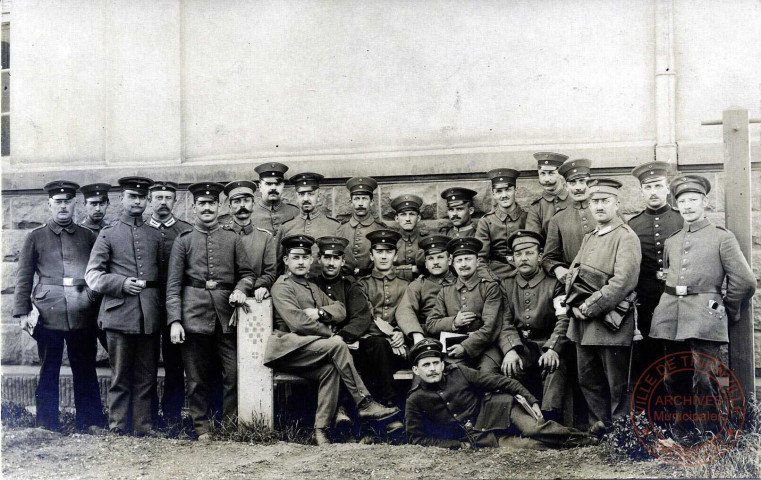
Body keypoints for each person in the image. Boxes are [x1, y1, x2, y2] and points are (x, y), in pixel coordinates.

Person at [263, 234, 400, 445]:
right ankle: (364, 402)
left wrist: (319, 312)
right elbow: (298, 323)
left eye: (304, 257)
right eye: (295, 257)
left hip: (311, 349)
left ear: (311, 261)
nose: (300, 262)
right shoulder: (282, 286)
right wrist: (330, 333)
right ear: (286, 260)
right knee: (337, 344)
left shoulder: (312, 287)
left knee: (331, 369)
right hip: (288, 349)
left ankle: (322, 431)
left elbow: (341, 310)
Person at [650, 174, 756, 443]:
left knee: (705, 378)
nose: (687, 206)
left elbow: (744, 281)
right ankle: (682, 435)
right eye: (682, 201)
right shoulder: (673, 240)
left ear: (705, 202)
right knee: (673, 377)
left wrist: (725, 308)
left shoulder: (722, 237)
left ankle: (710, 436)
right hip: (671, 314)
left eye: (693, 200)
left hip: (704, 315)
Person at [166, 181, 256, 441]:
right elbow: (173, 286)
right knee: (196, 377)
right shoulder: (183, 241)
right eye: (202, 204)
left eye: (211, 203)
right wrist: (175, 321)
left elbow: (247, 274)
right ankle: (201, 426)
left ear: (219, 206)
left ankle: (228, 423)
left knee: (233, 373)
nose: (207, 208)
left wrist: (241, 289)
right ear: (194, 208)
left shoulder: (232, 238)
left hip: (226, 316)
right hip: (193, 316)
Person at [13, 180, 105, 432]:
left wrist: (94, 305)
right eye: (58, 202)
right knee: (48, 368)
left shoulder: (89, 236)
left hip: (81, 310)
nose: (63, 206)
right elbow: (24, 276)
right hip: (47, 312)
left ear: (75, 204)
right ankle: (46, 422)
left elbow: (98, 273)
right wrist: (22, 312)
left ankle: (90, 421)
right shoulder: (36, 236)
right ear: (50, 204)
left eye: (68, 202)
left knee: (85, 366)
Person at [405, 338, 594, 449]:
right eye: (426, 365)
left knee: (534, 429)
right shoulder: (415, 399)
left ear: (442, 364)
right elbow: (416, 438)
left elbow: (502, 381)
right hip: (480, 436)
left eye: (436, 363)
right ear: (415, 370)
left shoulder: (459, 372)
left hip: (499, 408)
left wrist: (531, 400)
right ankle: (577, 441)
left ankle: (588, 438)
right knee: (532, 446)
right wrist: (455, 445)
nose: (432, 369)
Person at [85, 176, 163, 436]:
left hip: (149, 315)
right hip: (118, 314)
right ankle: (118, 425)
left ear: (146, 200)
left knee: (146, 374)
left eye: (141, 197)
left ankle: (143, 425)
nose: (137, 201)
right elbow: (93, 275)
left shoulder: (154, 235)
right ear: (122, 199)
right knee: (119, 375)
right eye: (132, 196)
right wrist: (121, 283)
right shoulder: (108, 233)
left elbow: (163, 277)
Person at [564, 178, 641, 436]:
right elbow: (573, 274)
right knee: (589, 379)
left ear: (616, 204)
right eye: (594, 202)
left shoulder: (626, 237)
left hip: (611, 324)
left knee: (617, 383)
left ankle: (621, 434)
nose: (598, 206)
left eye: (604, 201)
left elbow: (623, 281)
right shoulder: (590, 237)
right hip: (583, 325)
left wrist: (589, 306)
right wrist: (574, 305)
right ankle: (599, 430)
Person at [498, 230, 570, 422]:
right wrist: (510, 349)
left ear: (539, 256)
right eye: (518, 254)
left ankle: (550, 419)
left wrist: (553, 348)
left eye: (529, 253)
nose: (523, 259)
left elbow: (563, 319)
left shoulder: (554, 283)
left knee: (554, 366)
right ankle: (522, 419)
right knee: (510, 367)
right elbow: (504, 321)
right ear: (512, 259)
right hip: (520, 344)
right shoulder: (506, 284)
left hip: (546, 341)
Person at [626, 161, 683, 383]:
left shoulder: (681, 219)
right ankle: (654, 414)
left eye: (658, 186)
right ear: (641, 191)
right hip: (647, 301)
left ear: (667, 188)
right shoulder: (634, 224)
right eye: (648, 187)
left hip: (678, 299)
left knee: (679, 357)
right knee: (650, 357)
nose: (653, 192)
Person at [145, 180, 193, 426]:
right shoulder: (141, 229)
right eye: (158, 198)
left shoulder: (185, 231)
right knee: (148, 362)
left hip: (177, 307)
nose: (163, 203)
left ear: (175, 202)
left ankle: (173, 415)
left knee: (175, 363)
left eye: (168, 198)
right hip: (148, 307)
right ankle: (150, 414)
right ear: (150, 200)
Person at [355, 229, 410, 431]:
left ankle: (380, 419)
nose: (384, 256)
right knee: (376, 345)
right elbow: (363, 317)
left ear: (395, 255)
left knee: (380, 349)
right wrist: (388, 336)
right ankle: (389, 408)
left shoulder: (407, 286)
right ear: (371, 256)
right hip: (371, 345)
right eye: (379, 252)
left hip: (399, 348)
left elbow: (410, 314)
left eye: (388, 252)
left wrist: (401, 334)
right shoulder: (362, 284)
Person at [426, 237, 503, 373]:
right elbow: (431, 324)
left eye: (468, 259)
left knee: (487, 375)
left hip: (487, 348)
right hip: (454, 348)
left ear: (477, 261)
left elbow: (490, 327)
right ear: (452, 263)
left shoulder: (489, 288)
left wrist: (465, 347)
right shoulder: (445, 291)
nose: (463, 265)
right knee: (455, 376)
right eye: (459, 260)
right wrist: (454, 322)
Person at [542, 158, 596, 281]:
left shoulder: (606, 211)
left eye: (582, 181)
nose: (578, 187)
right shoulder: (558, 219)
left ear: (591, 183)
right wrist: (558, 269)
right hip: (574, 283)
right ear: (566, 186)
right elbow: (548, 258)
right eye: (572, 183)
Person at [395, 235, 455, 346]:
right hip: (427, 337)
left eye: (440, 257)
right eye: (431, 259)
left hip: (456, 336)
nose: (435, 262)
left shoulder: (459, 282)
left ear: (450, 260)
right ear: (426, 264)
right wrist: (416, 334)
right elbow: (405, 310)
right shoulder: (419, 285)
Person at [276, 172, 341, 274]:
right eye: (301, 194)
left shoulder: (334, 227)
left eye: (311, 194)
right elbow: (277, 266)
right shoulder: (286, 227)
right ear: (296, 197)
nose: (306, 199)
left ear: (318, 196)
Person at [223, 180, 277, 301]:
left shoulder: (265, 237)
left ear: (253, 204)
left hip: (254, 297)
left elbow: (269, 274)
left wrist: (259, 287)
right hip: (224, 298)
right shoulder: (221, 235)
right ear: (230, 207)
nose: (242, 205)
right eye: (237, 201)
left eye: (246, 201)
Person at [476, 168, 527, 280]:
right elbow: (480, 259)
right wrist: (492, 281)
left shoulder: (528, 218)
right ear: (493, 194)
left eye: (508, 190)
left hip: (525, 271)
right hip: (495, 273)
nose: (504, 195)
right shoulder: (486, 221)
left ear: (516, 190)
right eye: (499, 191)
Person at [78, 183, 112, 351]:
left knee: (116, 352)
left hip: (108, 301)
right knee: (85, 354)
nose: (98, 208)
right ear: (85, 205)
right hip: (84, 303)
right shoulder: (77, 232)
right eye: (93, 203)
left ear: (107, 204)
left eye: (102, 203)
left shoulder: (112, 231)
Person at [336, 176, 387, 277]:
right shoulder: (340, 229)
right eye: (356, 199)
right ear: (351, 202)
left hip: (371, 282)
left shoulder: (380, 229)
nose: (360, 203)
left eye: (364, 199)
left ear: (371, 202)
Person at [525, 152, 571, 236]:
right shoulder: (536, 207)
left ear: (561, 175)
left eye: (551, 173)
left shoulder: (573, 200)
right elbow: (532, 240)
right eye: (542, 173)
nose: (546, 179)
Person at [252, 162, 299, 235]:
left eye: (277, 184)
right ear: (260, 186)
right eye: (268, 184)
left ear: (283, 186)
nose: (273, 188)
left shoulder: (295, 213)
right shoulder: (251, 214)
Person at [390, 194, 428, 281]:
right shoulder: (391, 241)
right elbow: (383, 268)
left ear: (418, 218)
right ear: (396, 218)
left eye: (412, 214)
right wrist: (412, 270)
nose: (408, 219)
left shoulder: (426, 239)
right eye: (403, 214)